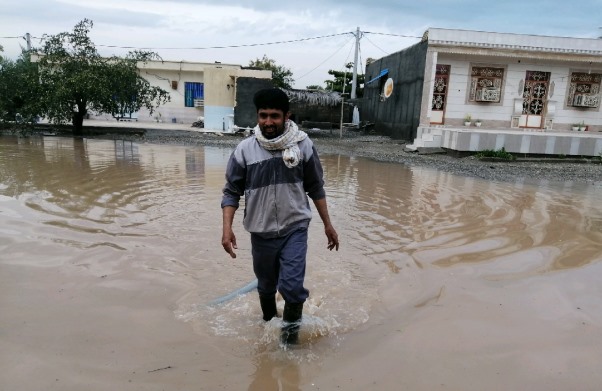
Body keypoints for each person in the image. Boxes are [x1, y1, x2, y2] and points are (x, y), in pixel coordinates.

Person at [221, 88, 339, 345]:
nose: (268, 122)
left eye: (275, 116)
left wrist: (328, 225)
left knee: (293, 288)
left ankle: (289, 344)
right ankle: (267, 326)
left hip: (294, 229)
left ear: (287, 116)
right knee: (265, 286)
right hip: (261, 233)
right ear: (257, 116)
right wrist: (227, 228)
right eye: (263, 116)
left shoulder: (303, 146)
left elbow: (316, 187)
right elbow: (231, 192)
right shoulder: (244, 150)